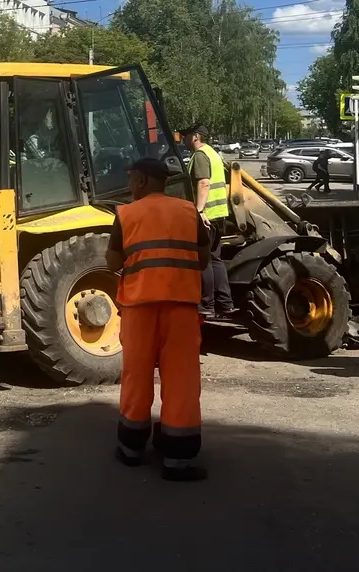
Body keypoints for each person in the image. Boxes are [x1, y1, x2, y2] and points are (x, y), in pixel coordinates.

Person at [107, 156, 210, 481]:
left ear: (140, 180)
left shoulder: (126, 214)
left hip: (139, 310)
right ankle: (178, 459)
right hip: (180, 309)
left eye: (130, 179)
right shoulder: (188, 211)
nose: (128, 185)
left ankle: (131, 449)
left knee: (136, 377)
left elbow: (111, 262)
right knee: (182, 379)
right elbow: (204, 259)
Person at [182, 124, 235, 320]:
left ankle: (206, 304)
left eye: (186, 135)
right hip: (220, 214)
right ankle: (226, 304)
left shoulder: (200, 156)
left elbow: (204, 182)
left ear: (195, 136)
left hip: (208, 215)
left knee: (204, 261)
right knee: (216, 259)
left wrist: (199, 210)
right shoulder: (214, 153)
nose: (183, 139)